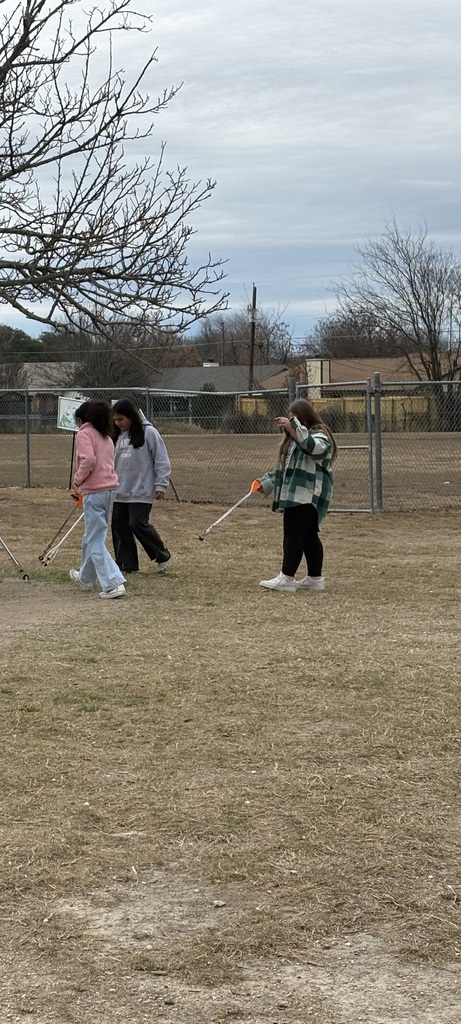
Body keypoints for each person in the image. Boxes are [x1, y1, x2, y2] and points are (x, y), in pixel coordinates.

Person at [253, 398, 337, 593]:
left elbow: (313, 448)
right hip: (295, 494)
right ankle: (315, 578)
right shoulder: (293, 443)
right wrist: (265, 483)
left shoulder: (319, 436)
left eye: (295, 420)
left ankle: (287, 577)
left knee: (293, 533)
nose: (290, 425)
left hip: (309, 495)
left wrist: (294, 430)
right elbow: (283, 469)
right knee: (308, 536)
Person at [70, 400, 126, 599]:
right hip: (109, 490)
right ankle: (85, 577)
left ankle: (113, 582)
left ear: (84, 419)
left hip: (94, 491)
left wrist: (77, 480)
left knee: (95, 539)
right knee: (92, 536)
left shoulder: (84, 434)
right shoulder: (106, 437)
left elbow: (89, 460)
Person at [111, 399, 171, 574]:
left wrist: (161, 484)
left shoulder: (149, 433)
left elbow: (161, 459)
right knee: (119, 526)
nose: (117, 423)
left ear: (131, 417)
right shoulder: (115, 436)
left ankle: (162, 555)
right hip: (119, 490)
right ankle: (126, 564)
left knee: (137, 523)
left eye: (121, 419)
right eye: (115, 420)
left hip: (141, 490)